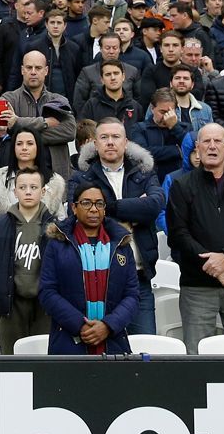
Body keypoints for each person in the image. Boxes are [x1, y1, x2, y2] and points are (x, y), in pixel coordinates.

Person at [166, 122, 224, 353]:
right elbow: (178, 235)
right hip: (197, 287)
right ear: (197, 148)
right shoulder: (181, 186)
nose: (212, 146)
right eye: (206, 142)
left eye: (217, 141)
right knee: (197, 358)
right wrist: (215, 266)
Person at [68, 118, 164, 334]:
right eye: (104, 137)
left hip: (139, 280)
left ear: (126, 142)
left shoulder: (144, 172)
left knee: (144, 353)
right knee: (103, 355)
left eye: (115, 137)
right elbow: (77, 217)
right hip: (97, 280)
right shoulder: (81, 178)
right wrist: (133, 210)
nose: (110, 142)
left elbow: (154, 205)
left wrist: (105, 208)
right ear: (95, 144)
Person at [38, 181, 141, 355]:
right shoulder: (57, 243)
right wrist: (80, 325)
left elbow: (132, 294)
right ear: (74, 208)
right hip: (68, 341)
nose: (94, 209)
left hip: (113, 342)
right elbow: (47, 292)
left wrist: (108, 326)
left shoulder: (121, 244)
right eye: (86, 203)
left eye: (99, 204)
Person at [0, 166, 52, 353]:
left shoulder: (54, 227)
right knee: (11, 363)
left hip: (44, 306)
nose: (28, 191)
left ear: (43, 191)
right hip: (11, 306)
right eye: (22, 187)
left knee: (43, 361)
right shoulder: (2, 224)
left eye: (33, 187)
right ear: (14, 191)